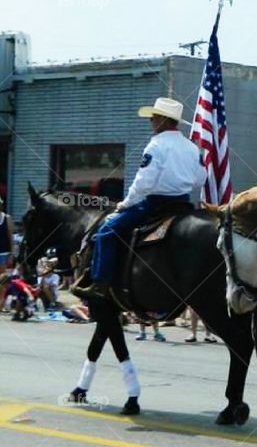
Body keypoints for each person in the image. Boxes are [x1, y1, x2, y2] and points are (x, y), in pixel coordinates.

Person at [74, 97, 206, 300]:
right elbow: (200, 180)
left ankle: (100, 283)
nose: (151, 122)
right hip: (183, 203)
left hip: (155, 204)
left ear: (163, 119)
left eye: (153, 118)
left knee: (105, 233)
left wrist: (125, 204)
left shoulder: (156, 145)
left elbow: (144, 183)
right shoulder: (191, 147)